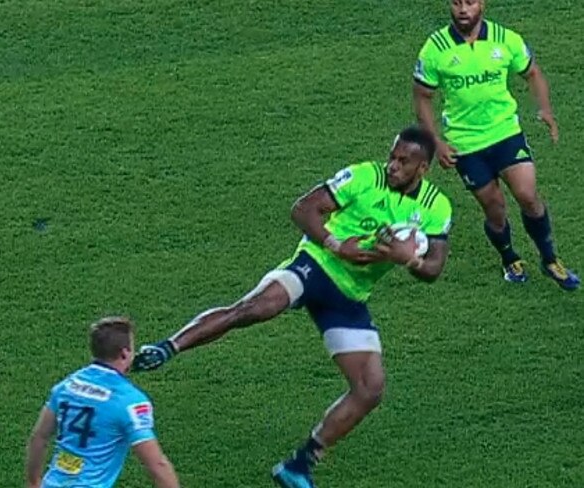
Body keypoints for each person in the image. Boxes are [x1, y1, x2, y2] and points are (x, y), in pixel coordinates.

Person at [133, 126, 453, 488]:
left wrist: (406, 259)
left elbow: (434, 269)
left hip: (349, 296)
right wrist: (335, 244)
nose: (392, 165)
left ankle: (300, 464)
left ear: (423, 169)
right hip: (316, 264)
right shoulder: (365, 175)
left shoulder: (435, 208)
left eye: (402, 161)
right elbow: (303, 209)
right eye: (392, 156)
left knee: (370, 387)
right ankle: (167, 348)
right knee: (256, 307)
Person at [412, 0, 579, 290]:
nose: (463, 9)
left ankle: (550, 259)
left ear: (482, 4)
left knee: (528, 196)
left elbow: (533, 73)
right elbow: (422, 96)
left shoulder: (506, 39)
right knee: (495, 209)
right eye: (456, 3)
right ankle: (509, 258)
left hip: (505, 133)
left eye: (470, 2)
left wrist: (546, 109)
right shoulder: (435, 47)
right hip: (466, 144)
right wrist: (437, 141)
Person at [25, 316, 180, 488]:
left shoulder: (66, 387)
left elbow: (39, 437)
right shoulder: (129, 401)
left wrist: (34, 482)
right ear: (125, 353)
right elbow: (157, 465)